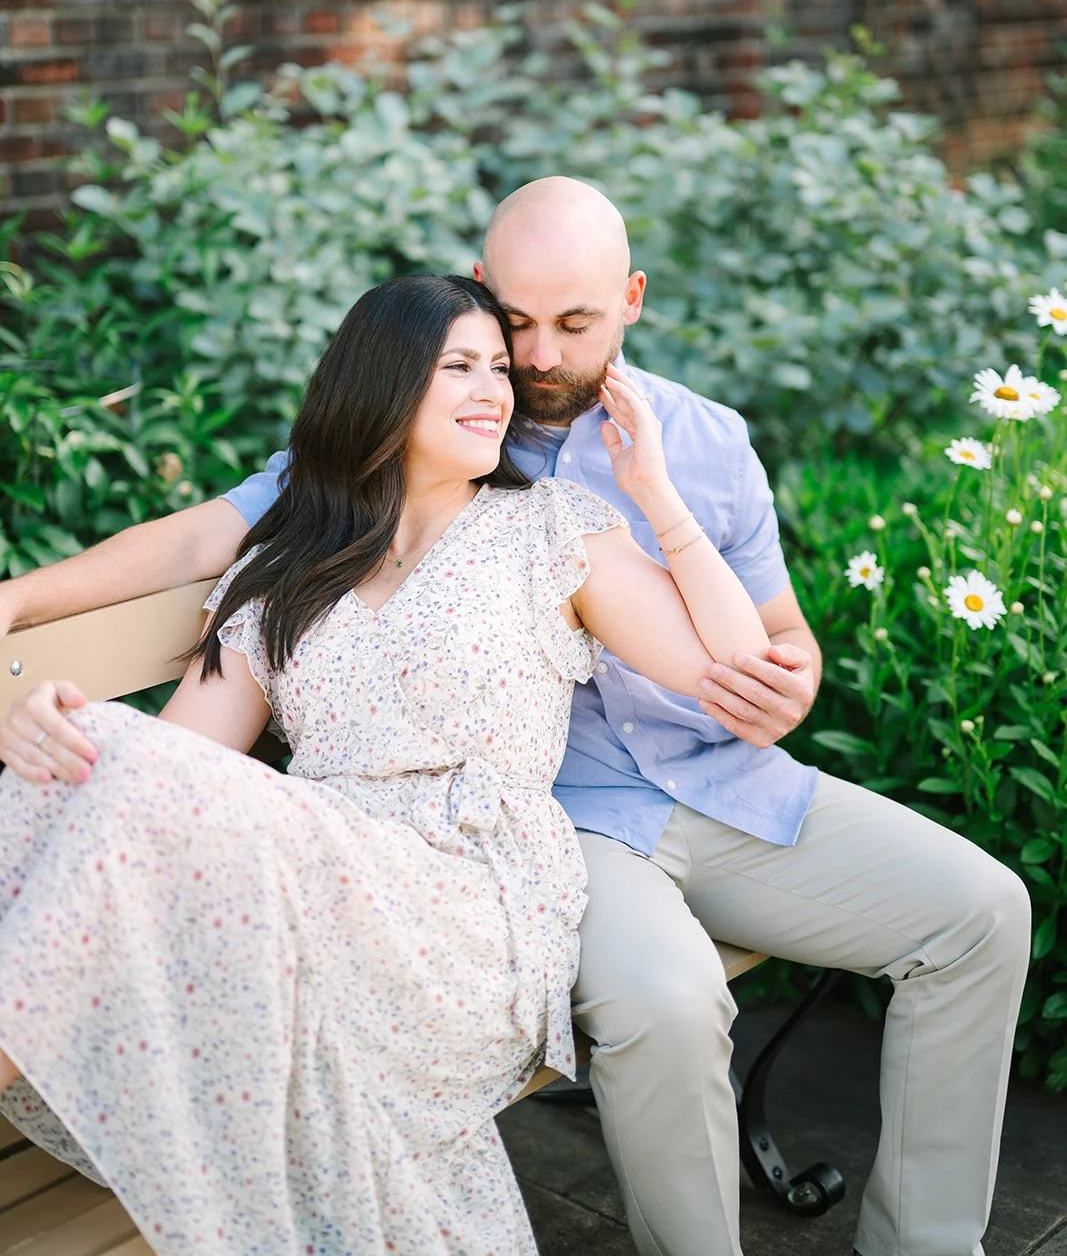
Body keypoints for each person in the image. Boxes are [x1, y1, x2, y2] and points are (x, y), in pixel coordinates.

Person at [1, 182, 1031, 1256]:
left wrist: (791, 672)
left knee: (984, 913)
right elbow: (191, 565)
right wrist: (24, 619)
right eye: (499, 338)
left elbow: (768, 642)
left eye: (564, 329)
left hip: (697, 792)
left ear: (628, 301)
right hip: (552, 826)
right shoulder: (321, 515)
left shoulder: (680, 452)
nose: (525, 364)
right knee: (665, 1004)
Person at [0, 271, 770, 1256]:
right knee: (95, 750)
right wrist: (53, 738)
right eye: (461, 366)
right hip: (314, 896)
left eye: (499, 367)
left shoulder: (550, 530)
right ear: (382, 384)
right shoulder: (284, 569)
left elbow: (732, 667)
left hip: (467, 910)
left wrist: (657, 494)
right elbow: (175, 769)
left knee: (114, 748)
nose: (496, 387)